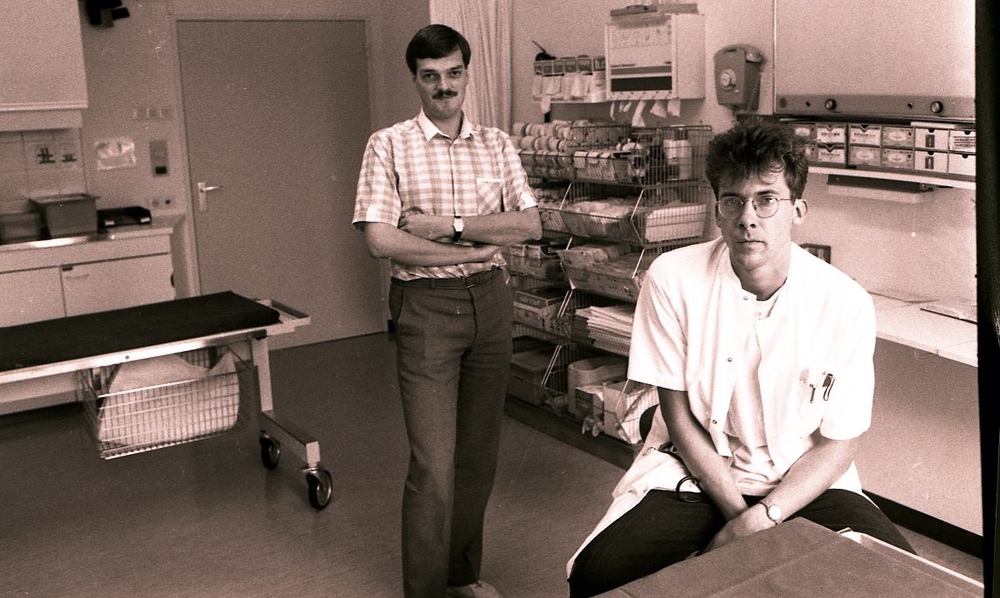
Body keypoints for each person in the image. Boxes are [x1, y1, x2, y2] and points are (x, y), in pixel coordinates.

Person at [565, 119, 914, 597]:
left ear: (798, 210)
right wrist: (739, 518)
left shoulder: (844, 302)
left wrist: (765, 517)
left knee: (902, 580)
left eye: (766, 200)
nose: (748, 217)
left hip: (802, 481)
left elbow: (839, 444)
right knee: (598, 574)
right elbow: (678, 416)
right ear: (718, 210)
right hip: (700, 473)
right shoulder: (673, 278)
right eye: (733, 200)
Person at [352, 24, 542, 598]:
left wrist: (446, 227)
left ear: (466, 74)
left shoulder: (496, 144)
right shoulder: (389, 145)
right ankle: (427, 591)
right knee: (434, 465)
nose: (444, 86)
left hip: (490, 303)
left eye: (454, 73)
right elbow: (381, 240)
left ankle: (461, 576)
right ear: (414, 79)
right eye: (431, 76)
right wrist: (475, 246)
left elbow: (529, 224)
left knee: (478, 458)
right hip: (426, 308)